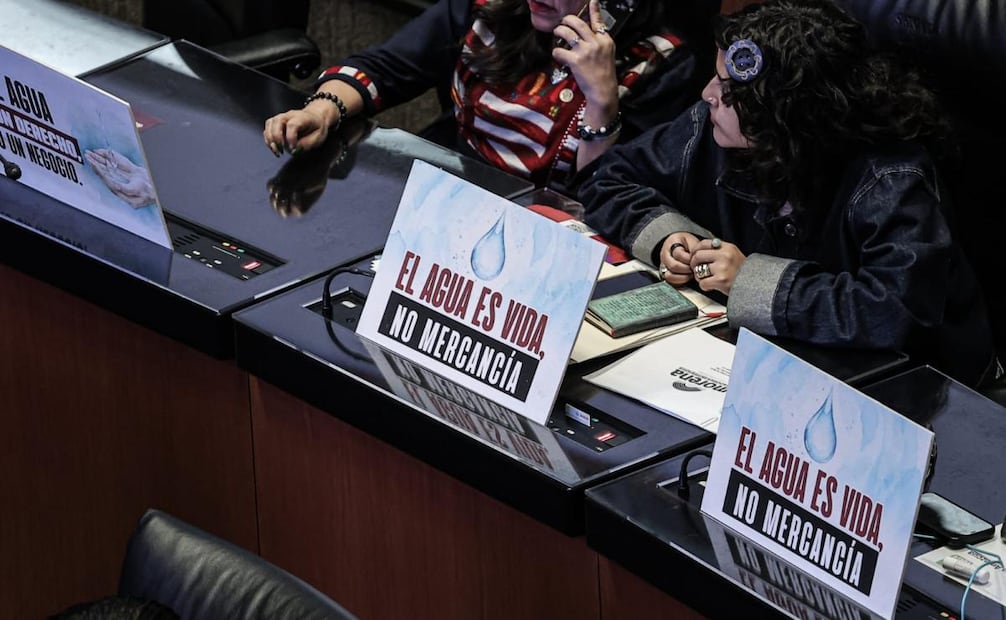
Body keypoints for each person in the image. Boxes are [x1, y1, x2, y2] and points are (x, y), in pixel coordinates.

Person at [578, 0, 1001, 388]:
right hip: (775, 361)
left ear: (783, 112)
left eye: (729, 91)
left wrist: (748, 280)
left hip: (907, 390)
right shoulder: (716, 129)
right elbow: (610, 179)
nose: (708, 95)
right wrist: (671, 237)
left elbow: (896, 312)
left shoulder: (890, 178)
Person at [263, 0, 716, 190]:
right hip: (449, 196)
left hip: (552, 239)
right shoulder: (493, 8)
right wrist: (324, 108)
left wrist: (600, 100)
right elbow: (390, 65)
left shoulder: (662, 64)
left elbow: (609, 196)